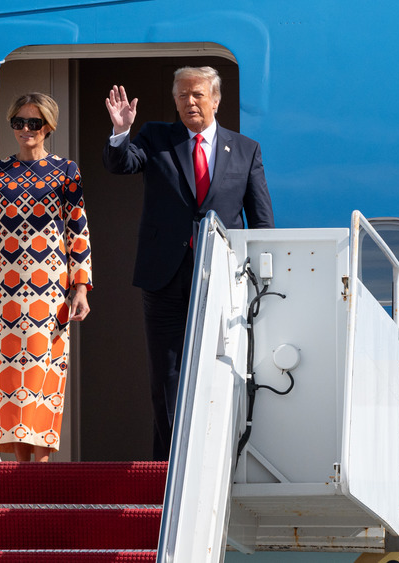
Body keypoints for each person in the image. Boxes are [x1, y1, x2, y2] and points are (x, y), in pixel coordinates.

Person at [102, 66, 274, 461]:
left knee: (219, 365)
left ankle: (213, 453)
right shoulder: (156, 137)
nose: (189, 102)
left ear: (215, 99)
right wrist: (120, 133)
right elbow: (121, 164)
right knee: (167, 373)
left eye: (197, 94)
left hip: (221, 279)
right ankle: (169, 461)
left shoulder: (245, 150)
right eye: (182, 95)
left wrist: (261, 278)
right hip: (164, 276)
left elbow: (261, 220)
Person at [0, 92, 92, 462]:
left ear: (48, 127)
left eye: (34, 123)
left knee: (43, 371)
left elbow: (78, 231)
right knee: (9, 373)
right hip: (5, 288)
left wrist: (81, 287)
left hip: (50, 287)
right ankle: (17, 465)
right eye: (19, 123)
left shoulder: (66, 171)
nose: (26, 130)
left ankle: (39, 464)